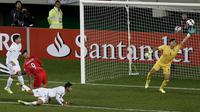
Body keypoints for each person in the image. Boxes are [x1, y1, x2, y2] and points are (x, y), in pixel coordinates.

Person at [144, 28, 195, 93]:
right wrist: (149, 53)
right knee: (151, 73)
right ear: (170, 43)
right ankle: (148, 81)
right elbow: (156, 48)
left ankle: (161, 88)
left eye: (175, 42)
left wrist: (189, 34)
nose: (174, 43)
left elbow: (183, 41)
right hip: (160, 63)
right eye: (173, 42)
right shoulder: (165, 46)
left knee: (167, 79)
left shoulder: (177, 48)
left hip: (167, 65)